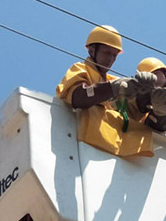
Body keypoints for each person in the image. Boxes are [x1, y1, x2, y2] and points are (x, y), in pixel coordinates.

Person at [56, 26, 157, 156]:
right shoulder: (80, 69)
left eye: (114, 55)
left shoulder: (115, 81)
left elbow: (135, 111)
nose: (110, 59)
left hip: (113, 148)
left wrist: (145, 93)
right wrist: (113, 88)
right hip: (86, 144)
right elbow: (78, 97)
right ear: (92, 50)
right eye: (107, 52)